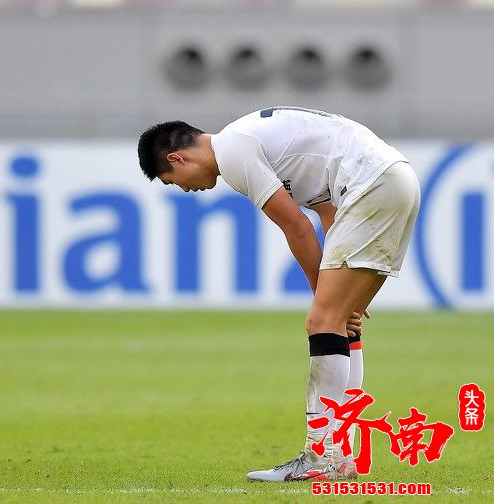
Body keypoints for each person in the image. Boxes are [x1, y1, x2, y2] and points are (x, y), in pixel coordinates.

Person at [136, 106, 420, 482]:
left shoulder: (233, 152)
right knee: (341, 325)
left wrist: (322, 297)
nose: (184, 189)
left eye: (174, 180)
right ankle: (341, 456)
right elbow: (328, 213)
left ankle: (319, 458)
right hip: (395, 179)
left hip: (373, 186)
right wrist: (334, 302)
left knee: (324, 322)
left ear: (177, 158)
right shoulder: (252, 141)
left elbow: (297, 228)